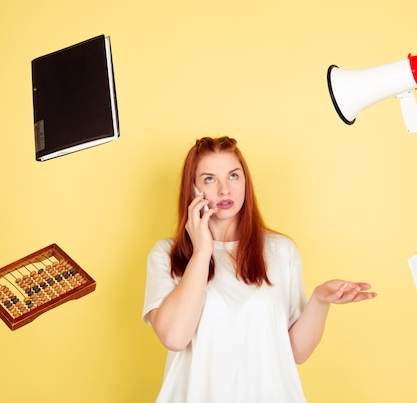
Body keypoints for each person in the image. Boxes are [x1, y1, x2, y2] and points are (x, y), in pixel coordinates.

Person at [142, 136, 376, 403]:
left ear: (245, 181)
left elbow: (295, 353)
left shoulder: (281, 251)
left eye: (233, 176)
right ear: (193, 190)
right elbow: (175, 337)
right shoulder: (166, 255)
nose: (224, 190)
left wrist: (320, 301)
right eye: (209, 179)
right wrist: (202, 251)